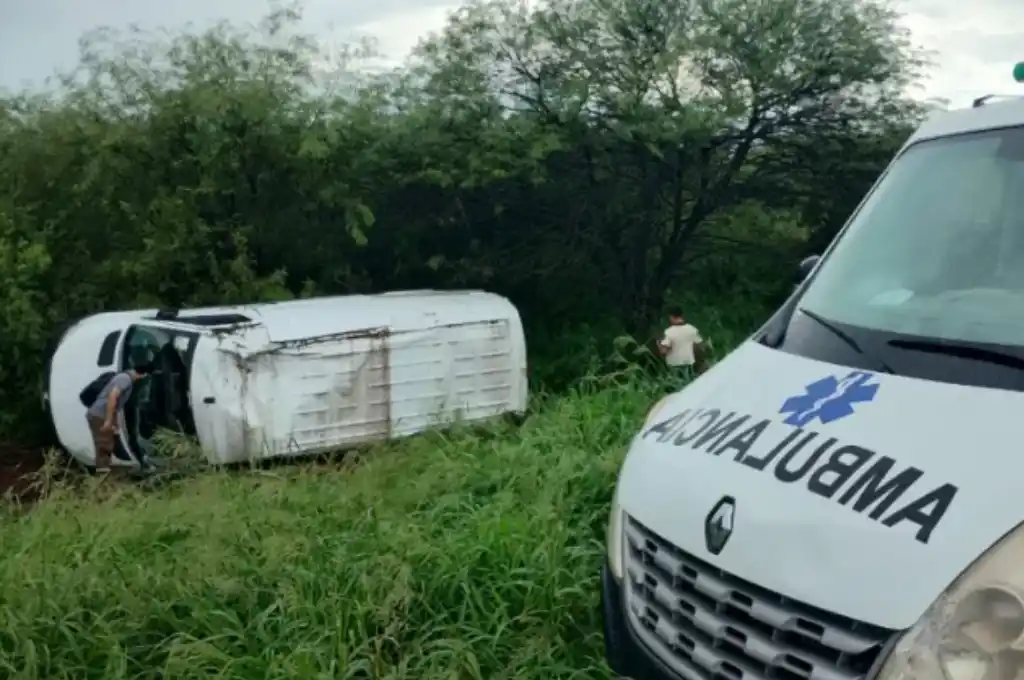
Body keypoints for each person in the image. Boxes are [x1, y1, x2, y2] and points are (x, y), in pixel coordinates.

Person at [85, 363, 153, 473]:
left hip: (102, 414)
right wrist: (108, 421)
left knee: (112, 441)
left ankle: (113, 468)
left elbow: (116, 406)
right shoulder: (125, 379)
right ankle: (103, 474)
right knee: (104, 444)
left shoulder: (126, 379)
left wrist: (114, 423)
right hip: (99, 415)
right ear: (143, 375)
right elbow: (113, 398)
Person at [658, 306, 705, 375]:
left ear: (671, 317)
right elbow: (700, 346)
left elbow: (663, 351)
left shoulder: (669, 332)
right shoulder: (692, 329)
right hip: (689, 363)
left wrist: (659, 344)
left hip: (674, 365)